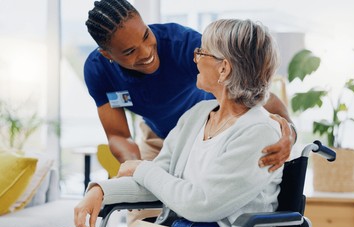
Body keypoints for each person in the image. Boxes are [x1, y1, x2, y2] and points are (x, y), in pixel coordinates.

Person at [71, 18, 283, 227]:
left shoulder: (258, 131)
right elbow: (156, 181)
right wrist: (101, 190)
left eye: (201, 53)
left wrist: (141, 168)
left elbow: (202, 203)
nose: (195, 58)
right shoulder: (196, 116)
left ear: (223, 68)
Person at [84, 0, 296, 171]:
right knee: (142, 215)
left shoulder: (186, 45)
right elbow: (119, 135)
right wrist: (135, 167)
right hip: (157, 138)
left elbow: (253, 90)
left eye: (146, 35)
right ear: (107, 54)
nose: (147, 52)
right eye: (130, 52)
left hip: (208, 134)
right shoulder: (98, 71)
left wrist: (290, 133)